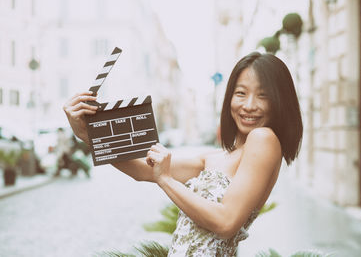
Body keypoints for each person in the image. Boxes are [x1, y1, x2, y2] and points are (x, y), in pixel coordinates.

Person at [63, 52, 303, 256]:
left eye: (263, 95)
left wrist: (165, 179)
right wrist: (87, 135)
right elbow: (142, 170)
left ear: (279, 101)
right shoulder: (216, 158)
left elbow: (226, 222)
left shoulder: (264, 139)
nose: (249, 105)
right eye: (240, 93)